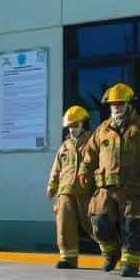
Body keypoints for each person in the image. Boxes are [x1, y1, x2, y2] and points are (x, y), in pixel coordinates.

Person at [78, 82, 140, 278]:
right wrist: (84, 171)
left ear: (128, 104)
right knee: (99, 222)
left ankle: (130, 263)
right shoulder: (102, 130)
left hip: (134, 187)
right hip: (105, 187)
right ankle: (111, 254)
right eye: (113, 104)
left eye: (119, 103)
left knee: (132, 226)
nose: (116, 107)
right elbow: (90, 154)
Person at [46, 105, 95, 269]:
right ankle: (68, 257)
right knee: (65, 224)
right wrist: (52, 186)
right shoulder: (64, 147)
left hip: (86, 190)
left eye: (76, 125)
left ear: (83, 124)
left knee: (93, 223)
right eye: (70, 126)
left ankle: (111, 251)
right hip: (65, 191)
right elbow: (56, 168)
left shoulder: (92, 142)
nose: (73, 129)